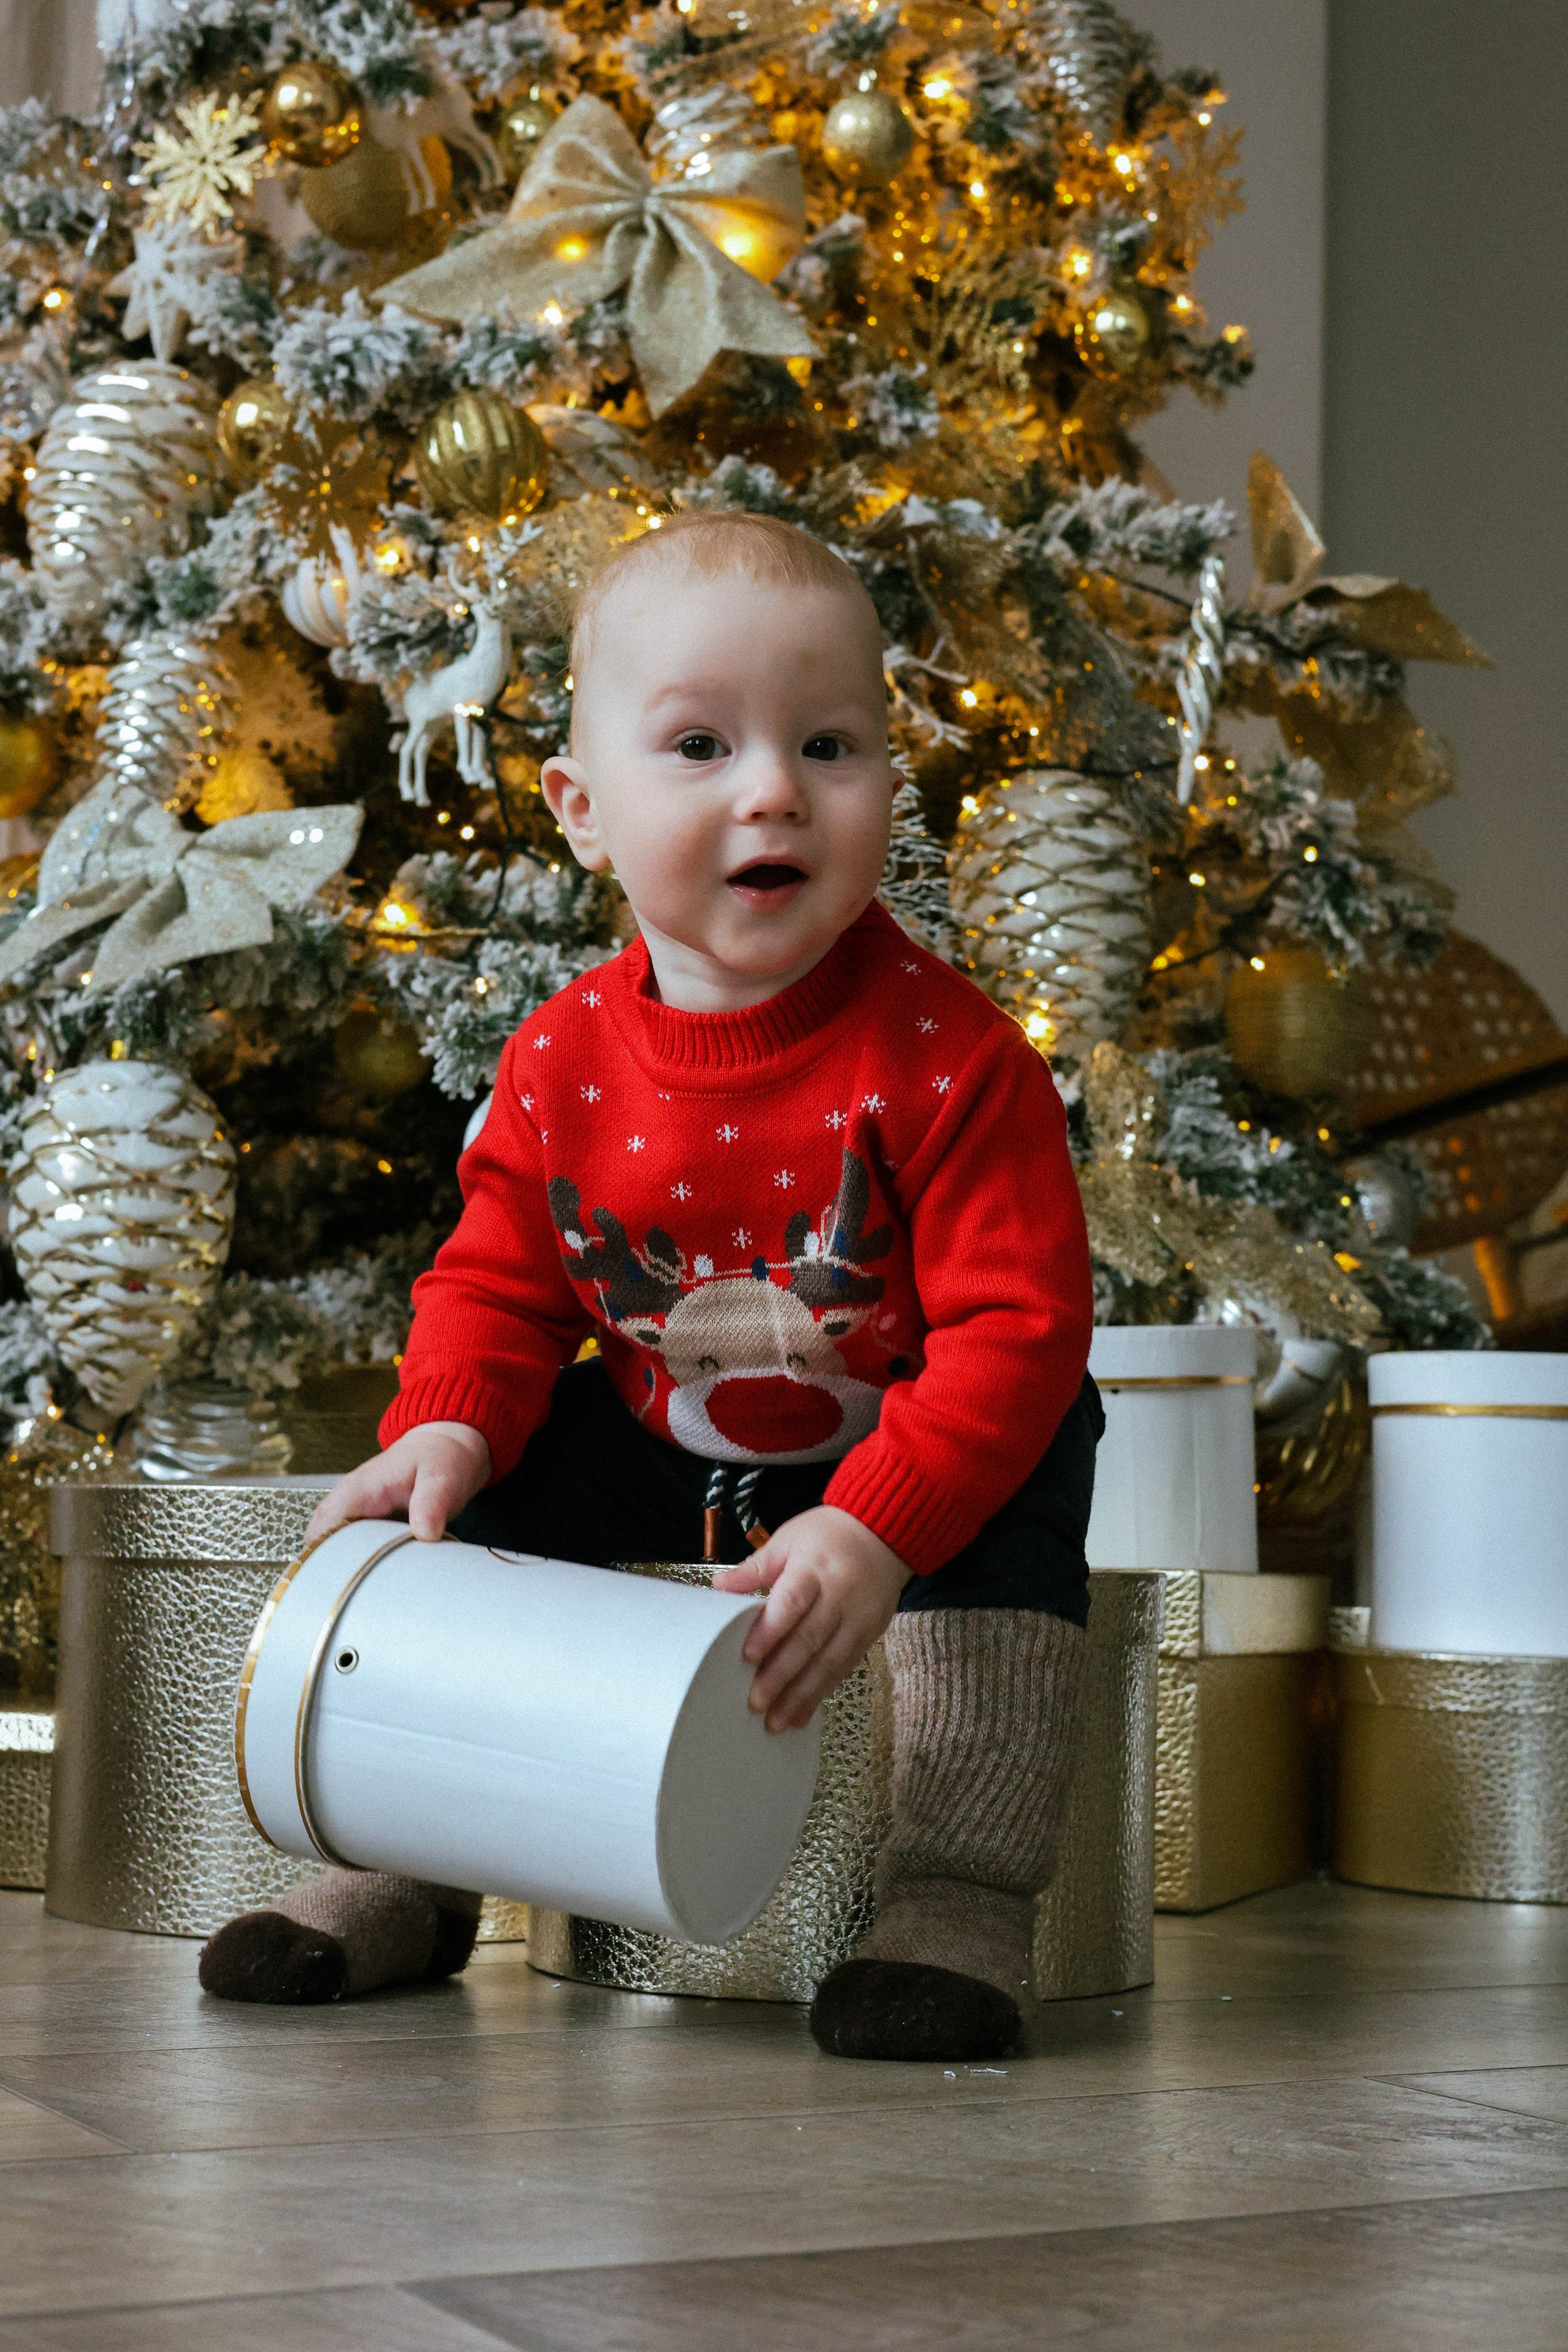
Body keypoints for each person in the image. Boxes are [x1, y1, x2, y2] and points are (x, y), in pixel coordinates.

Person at [199, 510, 1101, 2060]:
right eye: (698, 744)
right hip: (669, 1448)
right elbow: (494, 1282)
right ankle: (405, 1865)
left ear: (889, 778)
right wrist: (448, 1427)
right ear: (581, 810)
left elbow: (1017, 1330)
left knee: (1035, 1456)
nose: (771, 789)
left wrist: (878, 1525)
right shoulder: (562, 1055)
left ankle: (956, 1896)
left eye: (828, 743)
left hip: (900, 1444)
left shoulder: (950, 1059)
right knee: (452, 1505)